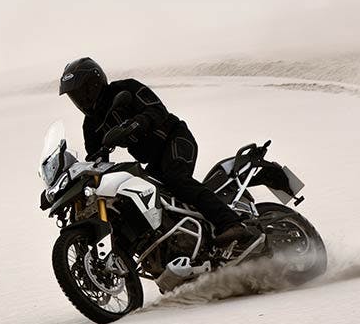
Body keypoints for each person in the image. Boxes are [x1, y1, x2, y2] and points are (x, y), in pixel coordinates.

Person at [57, 57, 259, 248]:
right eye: (75, 96)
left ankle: (233, 224)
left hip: (175, 139)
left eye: (83, 91)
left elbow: (157, 110)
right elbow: (96, 160)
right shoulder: (91, 124)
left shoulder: (126, 89)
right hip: (152, 161)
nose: (81, 99)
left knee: (177, 180)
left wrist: (135, 124)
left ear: (95, 83)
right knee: (140, 198)